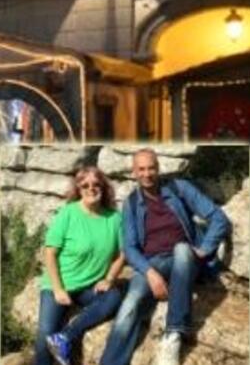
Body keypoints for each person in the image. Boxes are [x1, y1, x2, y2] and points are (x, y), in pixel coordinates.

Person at [100, 148, 230, 365]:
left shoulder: (179, 188)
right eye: (141, 169)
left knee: (182, 249)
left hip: (185, 260)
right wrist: (150, 274)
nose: (147, 174)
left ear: (158, 168)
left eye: (151, 168)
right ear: (134, 172)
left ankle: (173, 335)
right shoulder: (131, 204)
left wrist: (205, 249)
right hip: (152, 263)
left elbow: (218, 217)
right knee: (130, 303)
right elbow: (130, 248)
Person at [36, 166, 125, 365]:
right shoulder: (68, 213)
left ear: (103, 187)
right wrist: (58, 289)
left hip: (88, 287)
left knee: (113, 297)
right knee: (45, 333)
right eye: (85, 185)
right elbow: (49, 253)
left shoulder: (114, 218)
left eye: (96, 184)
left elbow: (123, 254)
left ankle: (65, 337)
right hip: (60, 283)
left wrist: (109, 278)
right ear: (78, 189)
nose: (91, 189)